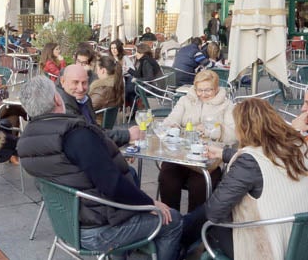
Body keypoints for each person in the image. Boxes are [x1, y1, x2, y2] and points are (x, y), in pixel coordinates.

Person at [17, 76, 183, 260]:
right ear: (57, 99)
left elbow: (74, 174)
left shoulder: (26, 142)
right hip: (99, 229)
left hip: (67, 224)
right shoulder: (74, 135)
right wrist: (149, 204)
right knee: (173, 220)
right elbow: (112, 184)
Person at [182, 99, 308, 259]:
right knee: (202, 215)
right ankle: (179, 230)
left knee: (208, 217)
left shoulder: (248, 161)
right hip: (299, 242)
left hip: (267, 247)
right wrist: (224, 154)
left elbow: (214, 212)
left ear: (243, 128)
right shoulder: (299, 146)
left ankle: (176, 237)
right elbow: (268, 158)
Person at [159, 69, 235, 213]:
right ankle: (170, 221)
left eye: (208, 90)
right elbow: (170, 120)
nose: (203, 94)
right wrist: (172, 125)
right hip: (181, 156)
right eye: (199, 90)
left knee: (199, 185)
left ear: (217, 88)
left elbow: (234, 135)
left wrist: (210, 130)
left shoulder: (226, 105)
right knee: (167, 176)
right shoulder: (185, 100)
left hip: (208, 159)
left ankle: (192, 228)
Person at [58, 64, 141, 147]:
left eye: (84, 83)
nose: (81, 88)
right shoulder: (61, 107)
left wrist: (125, 141)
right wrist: (127, 135)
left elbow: (95, 130)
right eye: (75, 82)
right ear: (62, 81)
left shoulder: (85, 98)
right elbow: (88, 137)